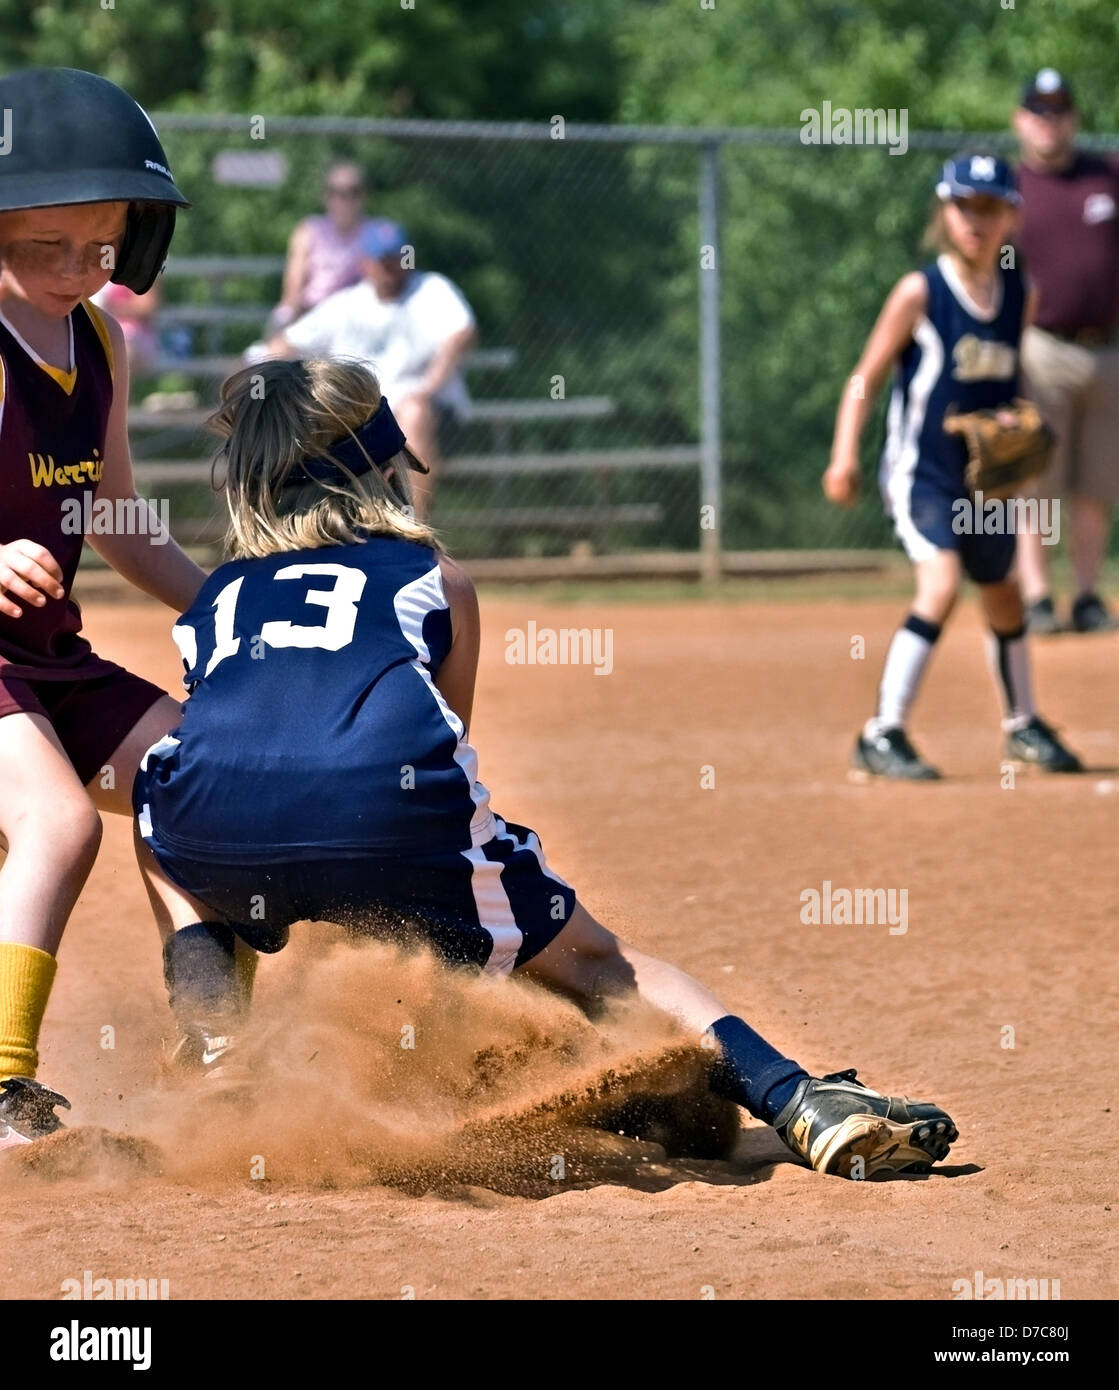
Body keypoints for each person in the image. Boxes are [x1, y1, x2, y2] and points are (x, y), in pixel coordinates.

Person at [130, 355, 958, 1181]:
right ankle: (798, 1098)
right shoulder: (434, 577)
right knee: (600, 965)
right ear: (382, 476)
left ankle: (215, 1049)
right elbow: (438, 741)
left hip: (214, 824)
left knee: (158, 827)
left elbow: (238, 737)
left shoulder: (217, 596)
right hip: (393, 812)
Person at [0, 69, 208, 1150]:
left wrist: (228, 604)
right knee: (61, 821)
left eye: (104, 247)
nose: (81, 271)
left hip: (46, 655)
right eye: (48, 247)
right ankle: (0, 1085)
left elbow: (118, 515)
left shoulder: (97, 341)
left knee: (199, 781)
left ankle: (213, 1049)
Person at [823, 153, 1082, 780]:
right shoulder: (921, 291)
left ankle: (1022, 725)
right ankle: (881, 733)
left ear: (1010, 219)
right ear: (945, 212)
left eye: (989, 207)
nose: (975, 219)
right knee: (939, 586)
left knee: (1005, 597)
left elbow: (1009, 373)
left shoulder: (1021, 291)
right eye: (964, 206)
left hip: (985, 481)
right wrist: (843, 454)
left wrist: (1021, 422)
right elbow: (866, 376)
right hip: (924, 475)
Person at [267, 220, 476, 518]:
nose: (392, 267)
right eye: (383, 260)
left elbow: (463, 334)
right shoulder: (348, 304)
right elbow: (285, 344)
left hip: (437, 419)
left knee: (413, 411)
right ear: (364, 264)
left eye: (398, 258)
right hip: (366, 420)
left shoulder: (432, 290)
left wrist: (427, 388)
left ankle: (413, 532)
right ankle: (310, 533)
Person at [1013, 69, 1119, 634]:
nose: (1049, 122)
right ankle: (1035, 596)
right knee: (1036, 481)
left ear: (1074, 119)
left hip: (1109, 350)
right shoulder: (1009, 189)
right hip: (1041, 350)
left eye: (1058, 111)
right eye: (1038, 111)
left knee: (1097, 483)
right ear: (1020, 120)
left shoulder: (1107, 174)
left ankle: (1086, 596)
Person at [271, 161, 378, 332]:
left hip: (356, 320)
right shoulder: (310, 229)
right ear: (325, 196)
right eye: (335, 192)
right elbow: (295, 280)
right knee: (279, 322)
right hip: (312, 312)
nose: (344, 199)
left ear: (363, 195)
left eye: (352, 192)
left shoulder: (376, 233)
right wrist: (291, 314)